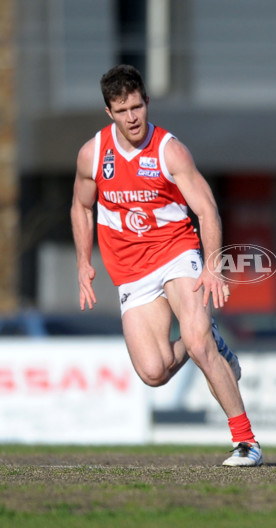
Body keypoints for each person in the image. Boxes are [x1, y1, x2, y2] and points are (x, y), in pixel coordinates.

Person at [71, 64, 263, 467]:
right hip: (130, 270)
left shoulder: (168, 149)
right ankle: (211, 338)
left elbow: (207, 209)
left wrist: (211, 266)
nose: (133, 117)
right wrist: (83, 263)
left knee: (196, 344)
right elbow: (81, 207)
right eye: (123, 111)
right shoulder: (93, 154)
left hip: (176, 251)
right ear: (109, 113)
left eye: (138, 107)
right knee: (154, 371)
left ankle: (246, 441)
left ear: (147, 102)